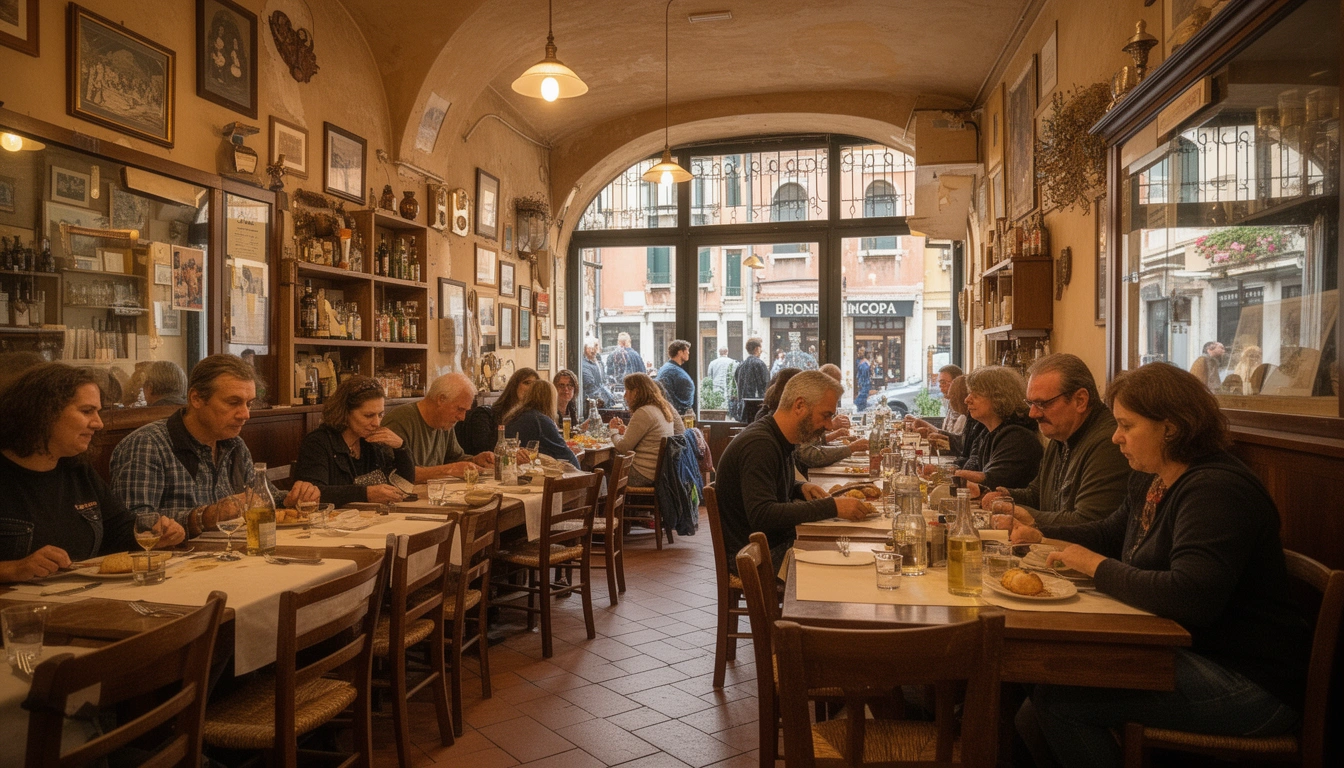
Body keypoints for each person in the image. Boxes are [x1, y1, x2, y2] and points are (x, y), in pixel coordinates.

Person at [1012, 363, 1309, 768]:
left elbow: (1190, 596)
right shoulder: (1150, 478)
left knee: (1059, 700)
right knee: (1037, 682)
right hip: (1188, 650)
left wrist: (1096, 567)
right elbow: (1108, 533)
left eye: (1126, 425)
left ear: (1170, 428)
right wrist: (1041, 535)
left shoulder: (1216, 490)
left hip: (1250, 680)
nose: (1115, 437)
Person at [0, 364, 184, 582]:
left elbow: (118, 530)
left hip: (78, 601)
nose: (98, 423)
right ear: (43, 412)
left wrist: (154, 534)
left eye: (99, 411)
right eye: (87, 411)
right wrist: (12, 569)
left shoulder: (77, 469)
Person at [110, 354, 319, 537]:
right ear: (196, 398)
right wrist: (205, 516)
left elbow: (264, 498)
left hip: (225, 560)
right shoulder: (148, 445)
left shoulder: (233, 445)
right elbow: (134, 524)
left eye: (249, 403)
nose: (245, 414)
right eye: (233, 402)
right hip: (171, 570)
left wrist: (294, 498)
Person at [716, 371, 869, 569]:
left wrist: (799, 487)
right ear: (799, 406)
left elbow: (766, 486)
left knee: (847, 549)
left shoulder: (777, 437)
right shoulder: (760, 445)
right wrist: (833, 506)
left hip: (772, 544)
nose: (829, 425)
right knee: (849, 563)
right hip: (758, 557)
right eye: (826, 415)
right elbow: (763, 514)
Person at [978, 354, 1131, 527]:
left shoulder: (1108, 443)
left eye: (1042, 403)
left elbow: (1087, 523)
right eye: (1031, 404)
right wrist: (1004, 496)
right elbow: (1037, 494)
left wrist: (1025, 515)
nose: (1033, 413)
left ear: (1080, 400)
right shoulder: (1061, 435)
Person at [294, 376, 415, 506]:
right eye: (368, 416)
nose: (377, 423)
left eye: (380, 415)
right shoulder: (318, 443)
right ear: (345, 413)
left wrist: (401, 447)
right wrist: (365, 494)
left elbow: (404, 485)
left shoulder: (371, 442)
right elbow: (312, 493)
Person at [382, 372, 497, 481]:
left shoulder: (444, 423)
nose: (462, 418)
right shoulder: (400, 421)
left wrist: (475, 460)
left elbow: (454, 458)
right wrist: (449, 470)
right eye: (460, 409)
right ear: (441, 399)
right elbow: (395, 474)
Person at [955, 365, 1042, 494]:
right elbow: (971, 466)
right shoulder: (987, 433)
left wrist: (948, 474)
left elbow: (991, 481)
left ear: (999, 398)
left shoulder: (1018, 438)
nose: (967, 400)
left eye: (976, 394)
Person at [608, 372, 684, 486]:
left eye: (627, 391)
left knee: (601, 466)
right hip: (659, 474)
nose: (624, 396)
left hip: (642, 474)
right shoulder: (661, 409)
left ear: (636, 392)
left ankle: (605, 503)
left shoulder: (644, 412)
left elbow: (623, 448)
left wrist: (613, 431)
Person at [455, 367, 539, 455]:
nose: (531, 387)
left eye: (535, 384)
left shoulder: (533, 419)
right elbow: (484, 449)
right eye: (527, 383)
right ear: (514, 386)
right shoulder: (484, 414)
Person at [502, 379, 580, 466]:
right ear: (550, 399)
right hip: (531, 473)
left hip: (511, 467)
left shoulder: (514, 415)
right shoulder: (541, 420)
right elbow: (566, 456)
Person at [731, 337, 770, 421]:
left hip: (743, 409)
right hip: (757, 407)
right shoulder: (760, 364)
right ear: (757, 348)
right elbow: (767, 385)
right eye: (761, 348)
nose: (761, 351)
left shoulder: (740, 366)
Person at [658, 339, 696, 414]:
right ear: (680, 352)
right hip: (676, 414)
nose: (688, 353)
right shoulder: (669, 371)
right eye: (687, 351)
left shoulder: (671, 368)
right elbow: (667, 394)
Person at [581, 338, 615, 409]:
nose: (595, 349)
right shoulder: (584, 365)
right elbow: (591, 387)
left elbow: (603, 382)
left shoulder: (599, 362)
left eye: (597, 346)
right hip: (591, 404)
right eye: (594, 346)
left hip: (602, 402)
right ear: (586, 348)